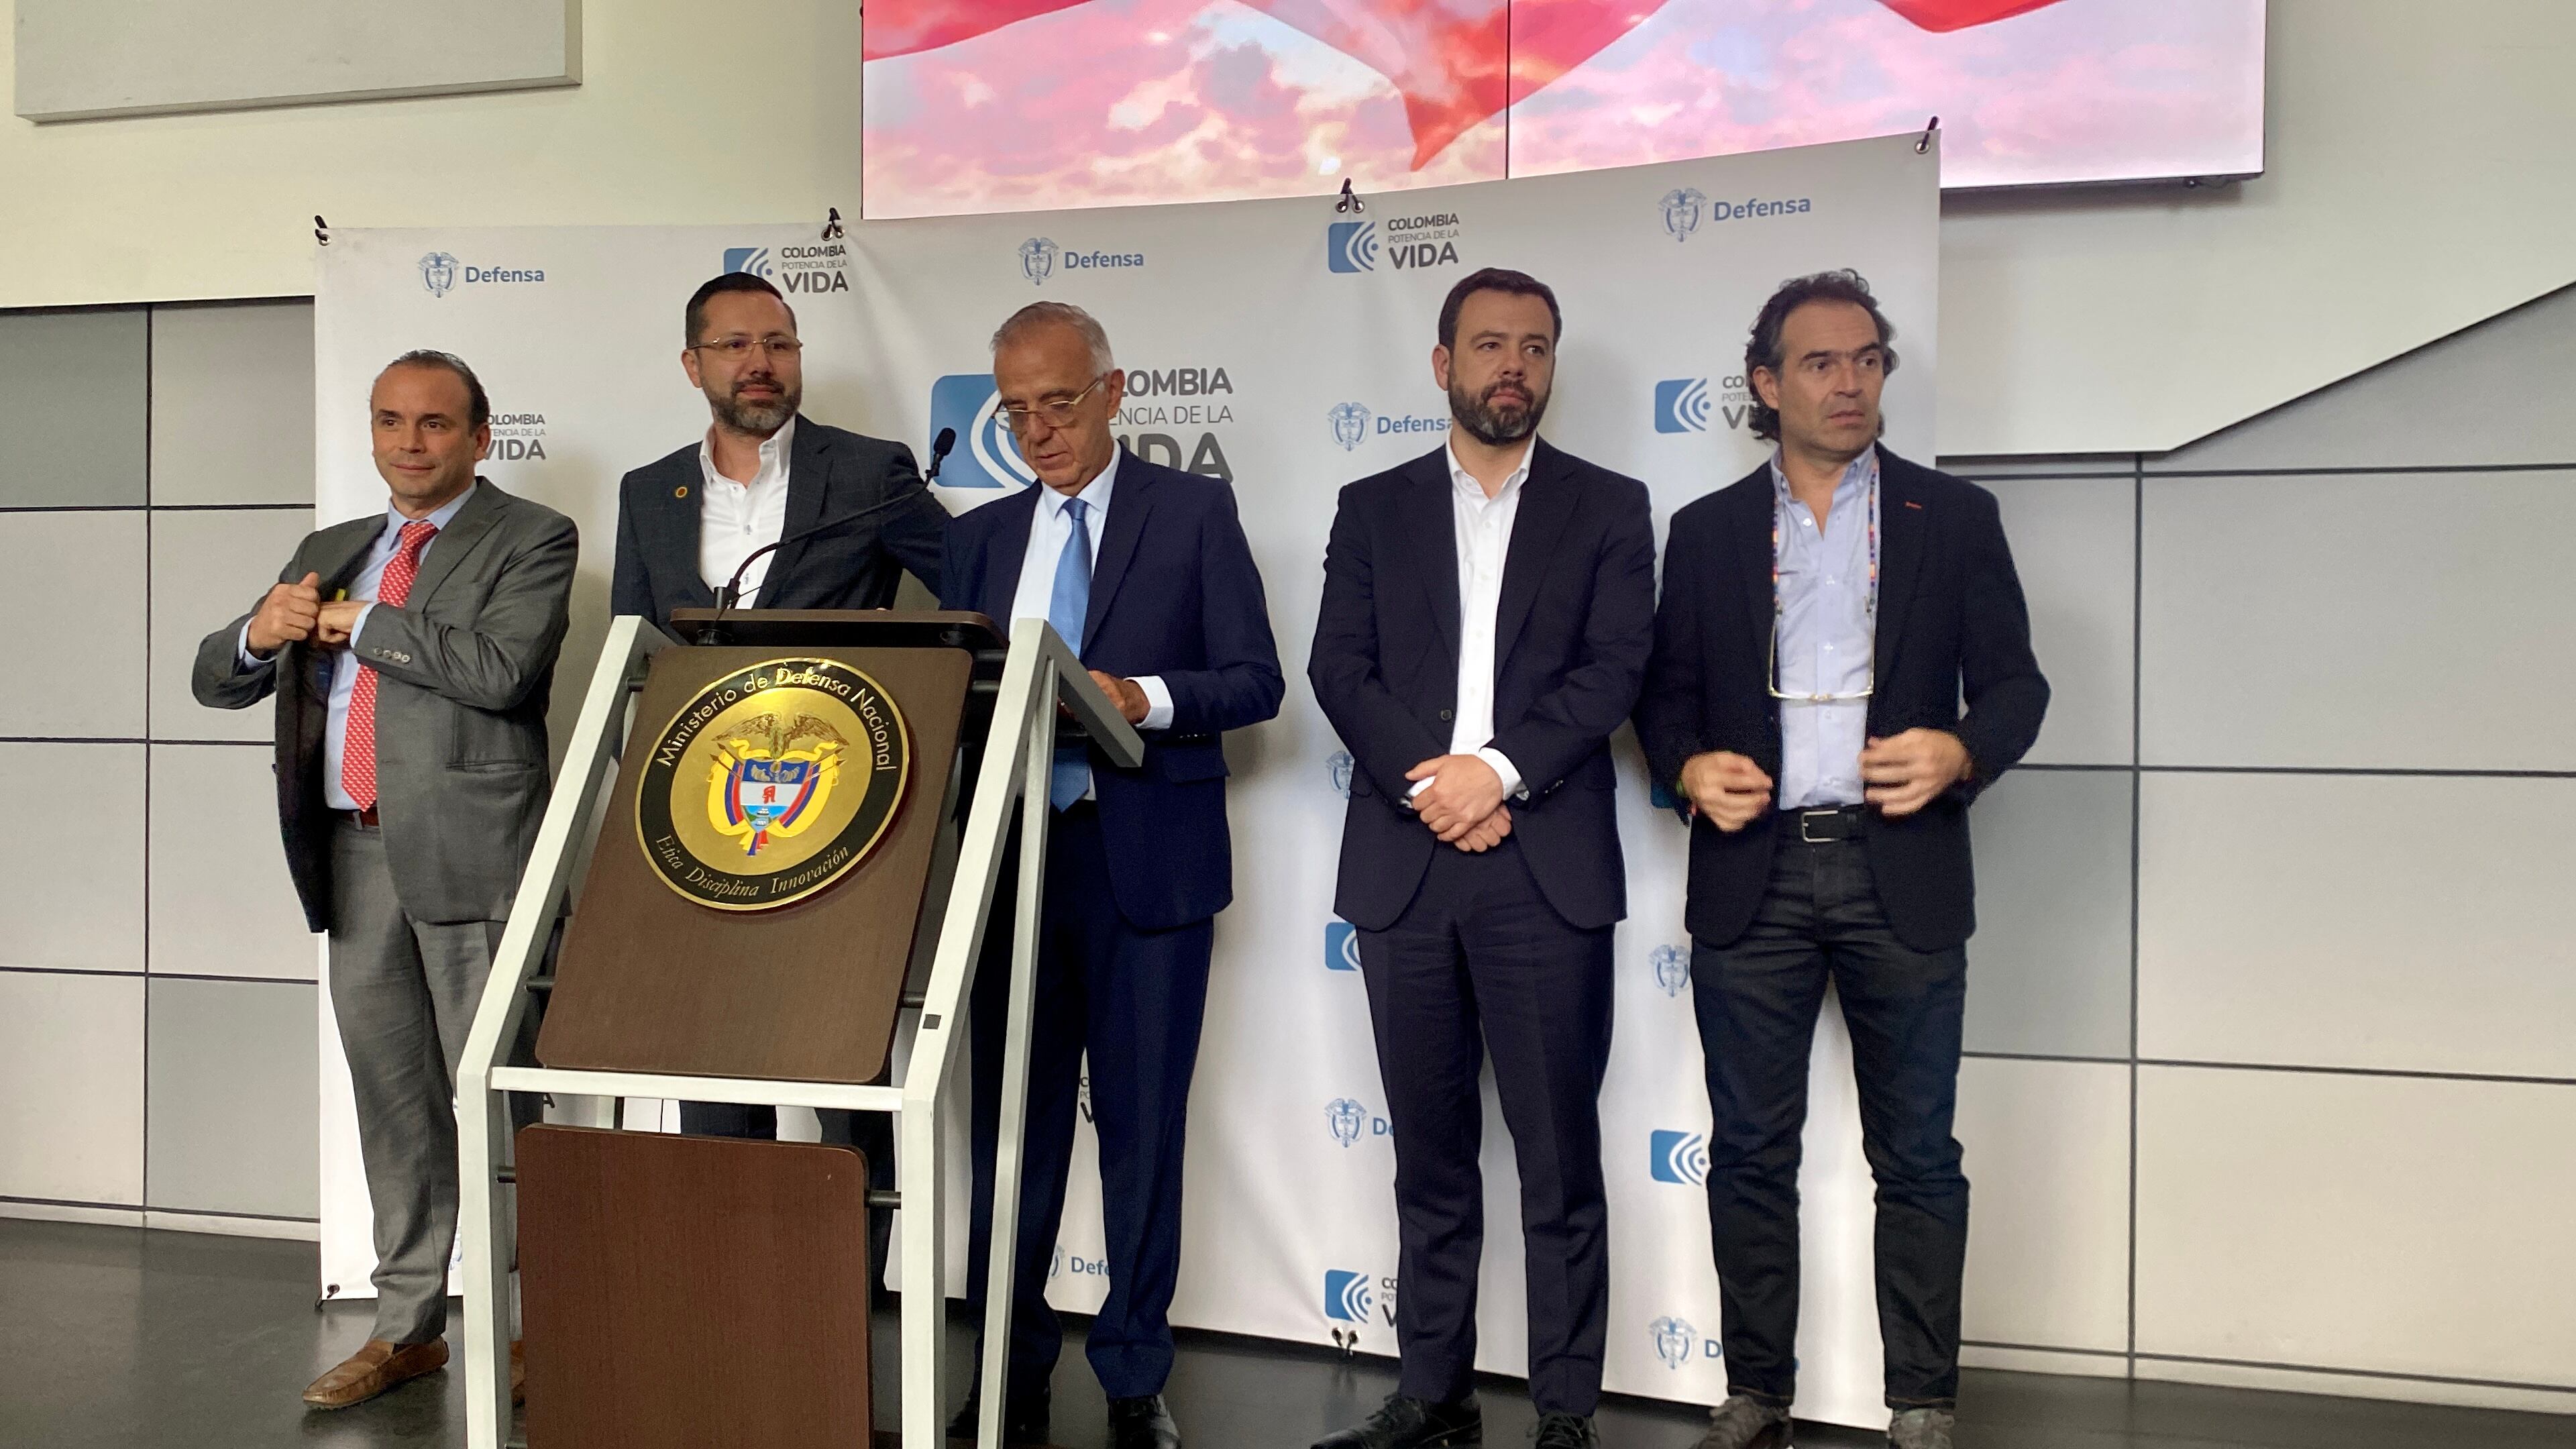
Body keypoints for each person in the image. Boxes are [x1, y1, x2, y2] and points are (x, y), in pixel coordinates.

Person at [1633, 271, 2049, 1449]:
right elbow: (1662, 700)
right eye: (1820, 363)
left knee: (1917, 1157)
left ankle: (1922, 1403)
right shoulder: (1706, 532)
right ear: (1767, 385)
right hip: (1753, 872)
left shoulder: (1952, 518)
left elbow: (2017, 687)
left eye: (1868, 360)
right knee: (1750, 1153)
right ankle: (1757, 1391)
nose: (1850, 383)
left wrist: (1962, 750)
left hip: (1900, 869)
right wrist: (1687, 768)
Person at [1308, 268, 1656, 1449]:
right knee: (1430, 1154)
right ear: (1443, 363)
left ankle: (1565, 1410)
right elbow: (1339, 668)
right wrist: (1439, 786)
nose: (1515, 365)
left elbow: (1614, 672)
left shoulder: (1610, 506)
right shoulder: (1373, 506)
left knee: (1558, 1159)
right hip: (1408, 865)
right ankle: (1432, 1389)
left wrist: (1495, 774)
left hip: (1543, 865)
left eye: (1536, 347)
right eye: (1491, 344)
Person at [193, 350, 576, 1410]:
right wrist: (256, 634)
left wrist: (358, 624)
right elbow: (214, 680)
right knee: (394, 1103)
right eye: (391, 422)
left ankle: (543, 1325)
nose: (411, 443)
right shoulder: (332, 549)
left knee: (498, 1098)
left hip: (475, 856)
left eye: (435, 424)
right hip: (353, 854)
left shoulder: (533, 535)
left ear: (480, 437)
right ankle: (407, 1329)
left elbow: (500, 672)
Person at [941, 301, 1284, 1449]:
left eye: (1059, 403)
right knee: (1012, 1133)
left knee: (1142, 1131)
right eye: (1016, 412)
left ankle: (1136, 1377)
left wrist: (1146, 698)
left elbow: (1255, 679)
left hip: (1147, 866)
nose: (1039, 431)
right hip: (1012, 868)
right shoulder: (981, 539)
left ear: (1114, 391)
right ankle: (1008, 1367)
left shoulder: (1193, 514)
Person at [607, 268, 947, 1285]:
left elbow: (977, 583)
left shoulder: (872, 472)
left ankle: (842, 1308)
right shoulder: (648, 492)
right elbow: (637, 652)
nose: (761, 363)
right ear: (693, 365)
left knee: (840, 1070)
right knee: (714, 1070)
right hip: (699, 827)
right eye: (736, 345)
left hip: (844, 821)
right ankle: (731, 1305)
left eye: (780, 344)